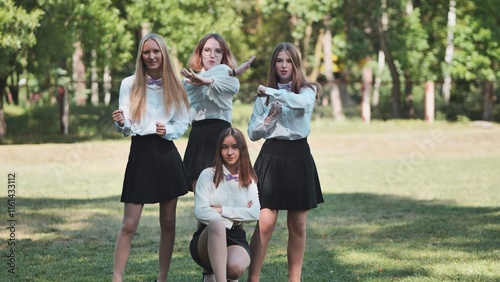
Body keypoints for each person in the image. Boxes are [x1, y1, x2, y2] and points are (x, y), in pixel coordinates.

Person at [111, 33, 191, 282]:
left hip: (166, 154)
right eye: (147, 52)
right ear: (141, 55)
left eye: (156, 51)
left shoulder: (176, 84)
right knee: (129, 224)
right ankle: (117, 277)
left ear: (163, 53)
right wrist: (123, 123)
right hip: (141, 154)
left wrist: (168, 130)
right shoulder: (129, 84)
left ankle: (162, 277)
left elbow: (183, 123)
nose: (152, 56)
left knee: (168, 223)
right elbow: (125, 128)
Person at [246, 42, 324, 282]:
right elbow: (252, 133)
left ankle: (294, 280)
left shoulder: (307, 90)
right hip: (271, 157)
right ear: (274, 64)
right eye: (279, 60)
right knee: (265, 224)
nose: (283, 65)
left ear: (295, 64)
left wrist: (271, 93)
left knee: (298, 224)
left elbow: (302, 104)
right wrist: (268, 119)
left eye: (288, 60)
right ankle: (253, 278)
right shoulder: (264, 95)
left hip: (299, 157)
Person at [181, 33, 255, 191]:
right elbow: (188, 89)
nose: (212, 55)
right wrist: (228, 73)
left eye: (218, 51)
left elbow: (232, 86)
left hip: (223, 136)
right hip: (199, 136)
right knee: (201, 194)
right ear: (200, 53)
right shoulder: (189, 80)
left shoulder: (229, 78)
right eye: (207, 50)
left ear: (224, 55)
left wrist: (207, 80)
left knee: (226, 192)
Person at [190, 127, 260, 282]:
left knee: (235, 268)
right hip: (207, 237)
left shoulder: (249, 179)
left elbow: (254, 213)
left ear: (242, 150)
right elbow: (201, 212)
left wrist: (221, 210)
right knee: (216, 225)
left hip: (236, 237)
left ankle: (225, 275)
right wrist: (234, 216)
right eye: (225, 147)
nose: (230, 152)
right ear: (219, 150)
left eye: (235, 147)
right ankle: (214, 275)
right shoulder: (207, 175)